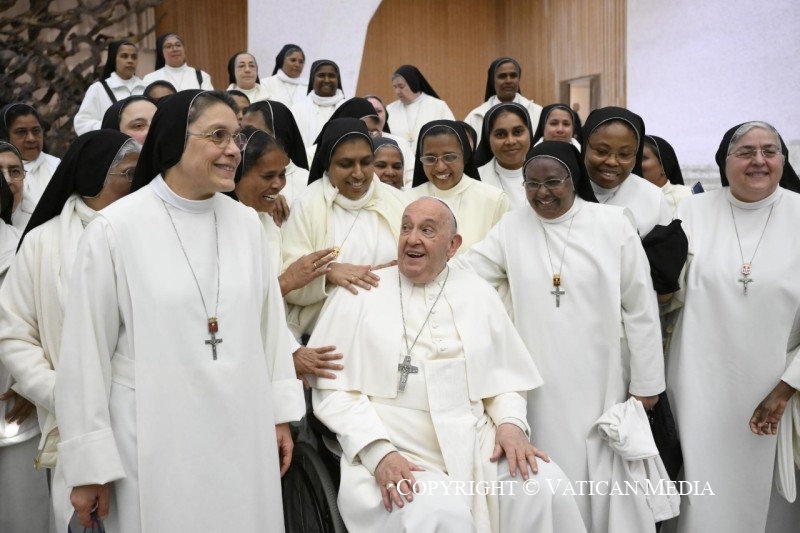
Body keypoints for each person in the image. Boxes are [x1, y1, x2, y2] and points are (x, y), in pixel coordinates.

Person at [53, 90, 305, 532]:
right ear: (174, 141)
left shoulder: (245, 223)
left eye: (237, 137)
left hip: (242, 428)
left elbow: (268, 328)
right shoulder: (116, 230)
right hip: (156, 437)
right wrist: (90, 467)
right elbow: (85, 356)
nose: (232, 149)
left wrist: (279, 414)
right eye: (218, 136)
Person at [311, 196, 587, 533]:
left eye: (427, 230)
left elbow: (505, 380)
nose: (412, 238)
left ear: (453, 245)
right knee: (438, 514)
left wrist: (511, 424)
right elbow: (334, 393)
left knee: (545, 486)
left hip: (476, 445)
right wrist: (378, 453)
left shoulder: (478, 293)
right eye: (406, 228)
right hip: (397, 447)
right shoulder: (359, 294)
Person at [456, 141, 665, 531]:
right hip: (539, 377)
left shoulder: (613, 222)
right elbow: (466, 270)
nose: (542, 193)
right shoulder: (513, 227)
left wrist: (647, 381)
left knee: (601, 474)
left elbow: (641, 307)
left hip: (600, 375)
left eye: (552, 182)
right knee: (553, 471)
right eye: (531, 184)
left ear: (574, 179)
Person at [0, 131, 139, 530]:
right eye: (129, 173)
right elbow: (15, 333)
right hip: (75, 421)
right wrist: (64, 393)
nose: (139, 180)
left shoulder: (150, 233)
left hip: (146, 416)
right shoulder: (42, 243)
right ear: (95, 175)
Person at [666, 121, 800, 533]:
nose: (759, 161)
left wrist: (788, 386)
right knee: (701, 495)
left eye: (770, 151)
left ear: (783, 159)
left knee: (768, 507)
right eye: (745, 152)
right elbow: (662, 295)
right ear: (725, 161)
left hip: (777, 388)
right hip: (696, 387)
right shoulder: (689, 211)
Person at [232, 127, 341, 386]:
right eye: (268, 176)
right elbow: (231, 306)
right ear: (236, 175)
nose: (279, 184)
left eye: (282, 174)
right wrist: (288, 281)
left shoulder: (266, 217)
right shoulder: (224, 226)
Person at [281, 118, 407, 337]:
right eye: (346, 164)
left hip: (392, 331)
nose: (358, 173)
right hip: (328, 336)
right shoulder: (308, 206)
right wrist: (328, 274)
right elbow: (288, 285)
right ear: (327, 165)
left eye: (366, 162)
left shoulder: (398, 202)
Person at [0, 141, 46, 532]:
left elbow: (47, 325)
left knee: (23, 517)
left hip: (13, 408)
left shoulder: (28, 247)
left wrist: (31, 383)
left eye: (16, 171)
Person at [408, 120, 508, 254]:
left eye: (449, 157)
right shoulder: (407, 200)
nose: (440, 167)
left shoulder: (495, 201)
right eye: (430, 159)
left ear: (465, 156)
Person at [582, 106, 671, 236]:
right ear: (585, 147)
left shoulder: (653, 199)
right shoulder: (561, 190)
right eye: (601, 151)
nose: (612, 162)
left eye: (624, 154)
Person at [0, 103, 61, 230]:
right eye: (21, 132)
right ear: (5, 136)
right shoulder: (5, 173)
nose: (31, 138)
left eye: (36, 131)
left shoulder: (59, 167)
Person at [241, 100, 309, 208]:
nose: (243, 137)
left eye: (252, 131)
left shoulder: (306, 183)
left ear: (278, 134)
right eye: (241, 130)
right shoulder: (235, 175)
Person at [464, 58, 543, 145]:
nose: (508, 81)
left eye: (513, 76)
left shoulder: (538, 112)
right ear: (492, 80)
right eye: (502, 76)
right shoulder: (476, 117)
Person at [74, 41, 145, 135]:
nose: (130, 61)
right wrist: (110, 128)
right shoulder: (98, 89)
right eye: (124, 56)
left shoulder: (146, 87)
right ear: (113, 59)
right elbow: (82, 123)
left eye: (134, 57)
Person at [473, 102, 534, 210]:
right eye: (500, 134)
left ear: (529, 133)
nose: (510, 141)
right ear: (488, 138)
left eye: (518, 132)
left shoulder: (548, 174)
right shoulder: (475, 179)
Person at [386, 65, 455, 155]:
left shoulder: (438, 106)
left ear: (413, 84)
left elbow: (451, 135)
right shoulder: (389, 110)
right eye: (395, 87)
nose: (397, 91)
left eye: (401, 86)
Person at [291, 59, 346, 148]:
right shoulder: (297, 110)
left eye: (331, 76)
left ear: (338, 80)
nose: (327, 80)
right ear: (313, 79)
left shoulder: (348, 108)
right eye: (321, 75)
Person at [641, 135, 692, 217]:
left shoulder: (690, 197)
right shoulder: (619, 200)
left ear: (663, 166)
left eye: (642, 158)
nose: (634, 164)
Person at [142, 33, 213, 91]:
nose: (175, 49)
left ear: (184, 49)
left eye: (178, 45)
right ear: (161, 52)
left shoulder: (201, 76)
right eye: (169, 46)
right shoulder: (150, 79)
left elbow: (210, 102)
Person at [261, 43, 308, 107]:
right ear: (282, 61)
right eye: (293, 60)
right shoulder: (266, 84)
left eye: (301, 62)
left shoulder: (308, 87)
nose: (297, 65)